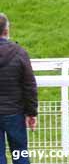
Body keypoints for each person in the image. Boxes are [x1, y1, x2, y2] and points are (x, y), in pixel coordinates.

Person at [0, 13, 38, 164]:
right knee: (20, 154)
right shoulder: (20, 53)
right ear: (7, 30)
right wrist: (31, 113)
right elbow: (29, 86)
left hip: (12, 111)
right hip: (14, 113)